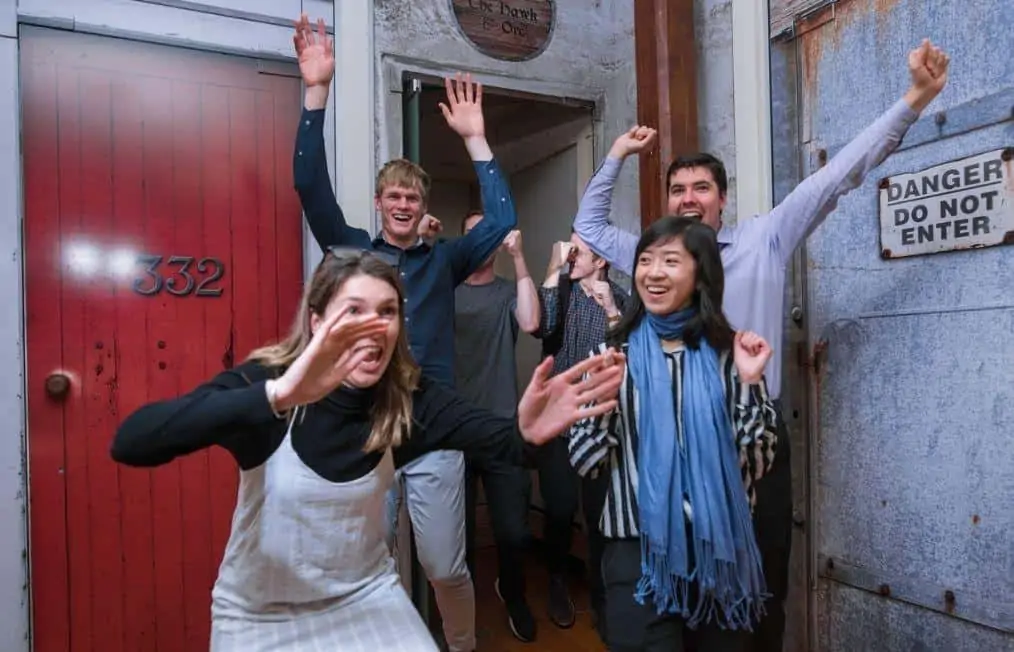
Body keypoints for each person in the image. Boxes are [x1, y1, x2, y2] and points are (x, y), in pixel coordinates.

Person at [571, 39, 951, 651]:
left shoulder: (766, 237)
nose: (688, 199)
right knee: (654, 597)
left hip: (752, 433)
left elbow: (838, 175)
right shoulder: (654, 257)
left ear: (721, 199)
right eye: (677, 189)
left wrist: (914, 100)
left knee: (757, 594)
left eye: (701, 188)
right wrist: (616, 153)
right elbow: (588, 227)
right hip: (663, 439)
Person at [109, 249, 624, 652]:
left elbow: (505, 443)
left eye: (387, 311)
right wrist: (277, 396)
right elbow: (134, 441)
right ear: (317, 322)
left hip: (364, 596)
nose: (373, 325)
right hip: (259, 613)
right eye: (353, 310)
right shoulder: (270, 384)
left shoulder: (408, 400)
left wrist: (530, 433)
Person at [291, 15, 517, 650]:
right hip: (367, 426)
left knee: (444, 565)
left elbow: (501, 219)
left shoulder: (445, 261)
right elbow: (308, 185)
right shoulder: (354, 254)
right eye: (392, 195)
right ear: (380, 204)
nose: (401, 203)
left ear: (422, 208)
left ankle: (462, 645)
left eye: (411, 197)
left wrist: (476, 139)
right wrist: (316, 92)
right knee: (374, 564)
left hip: (434, 425)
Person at [567, 216, 778, 652]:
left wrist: (751, 383)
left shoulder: (731, 356)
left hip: (719, 550)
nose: (653, 273)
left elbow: (758, 463)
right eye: (645, 261)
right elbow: (586, 462)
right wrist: (602, 403)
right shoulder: (610, 357)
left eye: (670, 261)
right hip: (637, 553)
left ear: (701, 275)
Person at [530, 232, 627, 638]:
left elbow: (629, 352)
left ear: (601, 260)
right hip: (558, 422)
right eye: (568, 248)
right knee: (558, 508)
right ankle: (556, 581)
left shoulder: (621, 298)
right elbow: (541, 327)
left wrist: (612, 311)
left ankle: (603, 600)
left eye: (578, 250)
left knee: (599, 514)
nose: (570, 255)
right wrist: (554, 266)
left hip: (601, 425)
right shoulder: (562, 290)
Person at [449, 215, 541, 641]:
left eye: (490, 232)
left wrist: (519, 258)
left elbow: (531, 322)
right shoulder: (445, 290)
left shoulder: (507, 292)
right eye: (473, 233)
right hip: (453, 430)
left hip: (502, 427)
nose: (482, 240)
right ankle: (461, 615)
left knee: (513, 531)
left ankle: (514, 594)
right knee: (458, 535)